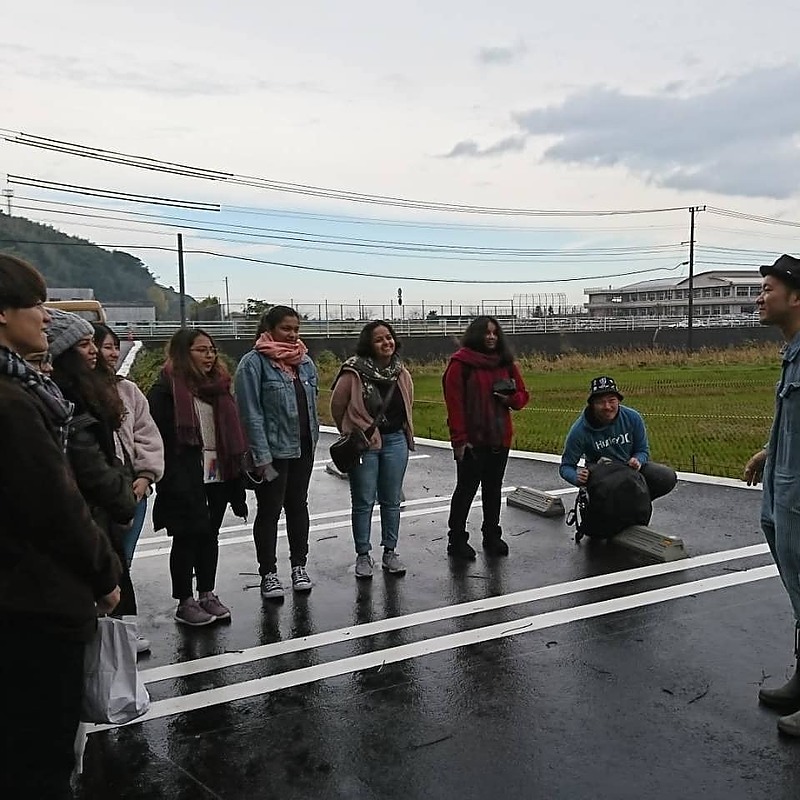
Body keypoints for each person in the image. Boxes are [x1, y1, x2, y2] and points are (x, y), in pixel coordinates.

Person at [0, 254, 120, 799]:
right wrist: (103, 572)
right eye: (36, 305)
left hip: (24, 593)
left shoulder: (25, 391)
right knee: (41, 757)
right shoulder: (14, 403)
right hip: (34, 600)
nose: (46, 317)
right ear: (4, 313)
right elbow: (56, 505)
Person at [148, 328, 248, 626]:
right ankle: (185, 601)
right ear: (183, 353)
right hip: (183, 474)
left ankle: (207, 593)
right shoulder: (165, 391)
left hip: (218, 472)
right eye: (201, 350)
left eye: (211, 349)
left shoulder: (218, 386)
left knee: (209, 535)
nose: (210, 355)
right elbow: (156, 437)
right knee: (185, 538)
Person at [47, 310, 139, 624]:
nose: (95, 351)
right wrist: (124, 487)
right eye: (85, 344)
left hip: (101, 516)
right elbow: (94, 470)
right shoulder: (65, 401)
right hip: (91, 522)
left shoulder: (74, 394)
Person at [742, 253, 800, 737]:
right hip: (783, 485)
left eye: (767, 289)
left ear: (797, 296)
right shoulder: (793, 350)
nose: (759, 297)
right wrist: (767, 451)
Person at [235, 306, 319, 599]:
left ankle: (299, 566)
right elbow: (250, 413)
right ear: (269, 329)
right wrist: (261, 455)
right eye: (286, 328)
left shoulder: (305, 362)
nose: (293, 334)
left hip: (303, 450)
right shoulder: (253, 364)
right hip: (271, 455)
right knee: (270, 509)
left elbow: (311, 408)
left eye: (296, 328)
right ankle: (268, 573)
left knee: (298, 506)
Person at [330, 320, 415, 579]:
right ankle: (363, 555)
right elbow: (337, 406)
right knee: (364, 501)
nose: (386, 343)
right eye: (379, 339)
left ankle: (390, 552)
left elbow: (407, 405)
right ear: (369, 343)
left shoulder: (401, 372)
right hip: (365, 445)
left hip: (396, 442)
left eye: (388, 337)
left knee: (391, 500)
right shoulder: (353, 372)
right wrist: (350, 432)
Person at [443, 315, 530, 560]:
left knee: (493, 489)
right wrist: (459, 440)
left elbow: (522, 395)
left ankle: (492, 534)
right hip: (472, 441)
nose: (491, 337)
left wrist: (510, 399)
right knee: (466, 490)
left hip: (499, 438)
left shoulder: (505, 362)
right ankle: (456, 539)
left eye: (494, 333)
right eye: (486, 333)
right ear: (476, 335)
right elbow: (455, 405)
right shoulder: (461, 364)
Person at [93, 323, 164, 567]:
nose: (114, 353)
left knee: (125, 562)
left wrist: (145, 477)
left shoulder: (127, 390)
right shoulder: (74, 391)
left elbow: (146, 433)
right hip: (96, 495)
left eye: (116, 347)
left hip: (134, 490)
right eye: (107, 347)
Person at [560, 375, 677, 500]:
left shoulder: (633, 418)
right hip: (602, 475)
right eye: (600, 402)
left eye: (612, 400)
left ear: (618, 401)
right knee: (610, 494)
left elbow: (642, 450)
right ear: (592, 404)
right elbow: (566, 466)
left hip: (629, 469)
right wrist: (576, 478)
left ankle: (638, 503)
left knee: (666, 476)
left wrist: (637, 460)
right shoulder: (580, 430)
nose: (607, 407)